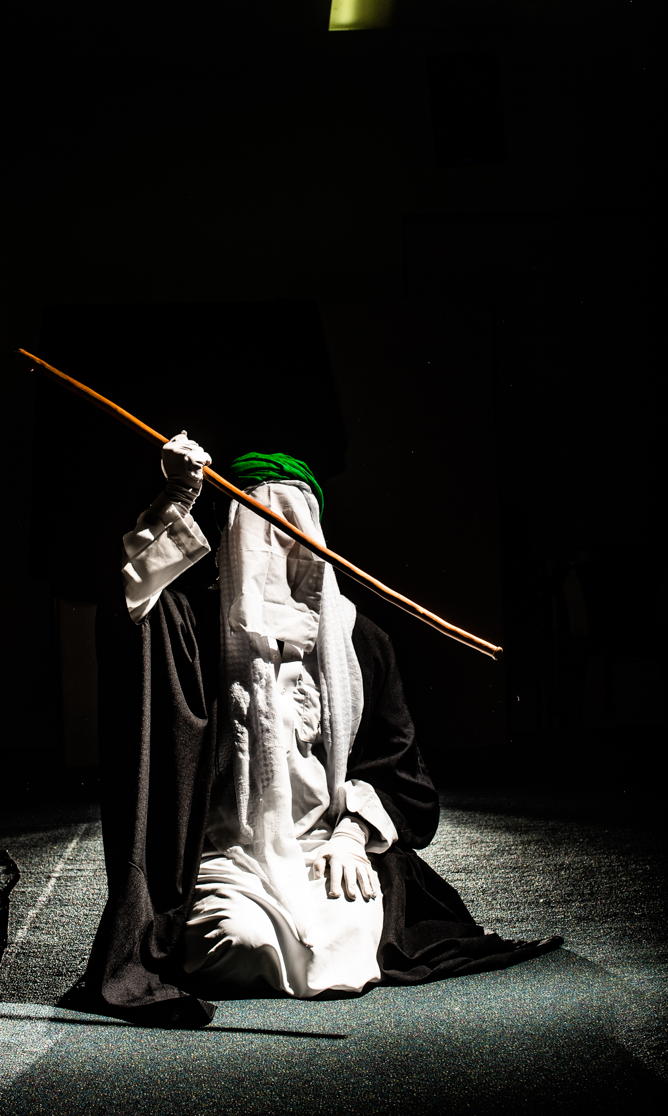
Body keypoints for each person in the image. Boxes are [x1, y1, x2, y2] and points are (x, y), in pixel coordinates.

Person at [84, 434, 561, 1028]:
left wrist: (352, 837)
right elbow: (131, 601)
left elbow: (398, 769)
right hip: (224, 858)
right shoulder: (192, 628)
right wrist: (177, 497)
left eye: (292, 527)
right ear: (231, 538)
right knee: (241, 944)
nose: (278, 545)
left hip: (321, 850)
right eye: (259, 527)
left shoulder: (361, 641)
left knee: (338, 947)